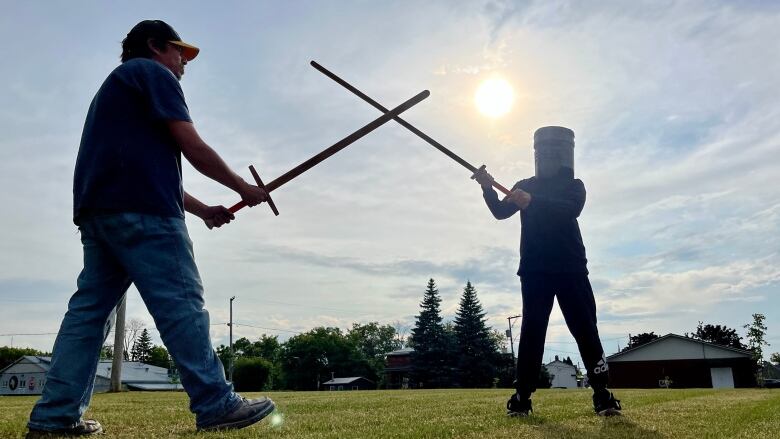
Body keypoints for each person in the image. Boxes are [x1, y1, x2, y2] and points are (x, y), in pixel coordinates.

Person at [27, 20, 275, 436]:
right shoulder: (152, 73)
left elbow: (150, 171)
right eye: (180, 52)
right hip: (144, 215)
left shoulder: (119, 87)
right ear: (156, 46)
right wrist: (242, 187)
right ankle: (216, 403)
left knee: (88, 316)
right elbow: (191, 146)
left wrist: (202, 210)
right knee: (181, 305)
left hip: (102, 213)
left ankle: (54, 417)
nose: (183, 63)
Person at [473, 126, 622, 417]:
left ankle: (602, 394)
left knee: (585, 328)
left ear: (566, 153)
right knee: (532, 330)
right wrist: (487, 187)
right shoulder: (524, 184)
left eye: (555, 150)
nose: (549, 156)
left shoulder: (574, 186)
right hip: (535, 269)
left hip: (571, 268)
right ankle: (521, 397)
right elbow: (501, 213)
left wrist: (532, 201)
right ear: (536, 154)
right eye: (543, 151)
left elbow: (570, 209)